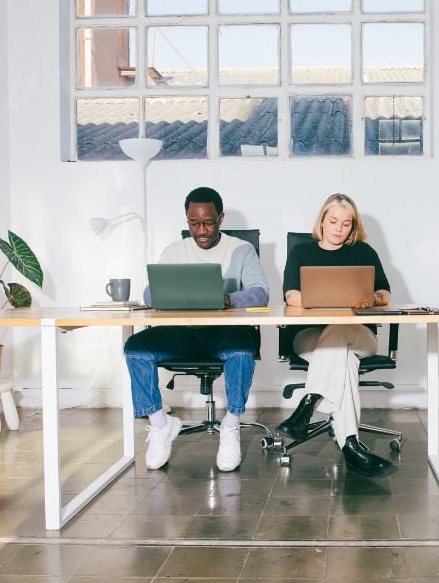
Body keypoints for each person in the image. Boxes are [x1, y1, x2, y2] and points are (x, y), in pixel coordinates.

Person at [124, 187, 269, 472]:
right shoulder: (174, 251)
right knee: (136, 349)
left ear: (221, 218)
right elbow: (150, 296)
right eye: (194, 223)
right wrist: (171, 295)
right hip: (181, 333)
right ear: (187, 220)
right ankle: (160, 424)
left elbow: (261, 293)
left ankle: (231, 424)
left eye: (208, 222)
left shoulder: (241, 249)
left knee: (241, 350)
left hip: (224, 332)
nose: (201, 230)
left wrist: (229, 299)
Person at [278, 193, 397, 479]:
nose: (338, 229)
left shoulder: (364, 253)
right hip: (310, 337)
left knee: (342, 332)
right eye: (333, 221)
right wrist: (325, 298)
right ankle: (352, 447)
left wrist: (371, 297)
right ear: (321, 221)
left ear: (353, 226)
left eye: (346, 224)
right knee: (343, 360)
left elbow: (385, 294)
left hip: (359, 336)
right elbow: (291, 296)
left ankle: (309, 404)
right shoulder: (301, 254)